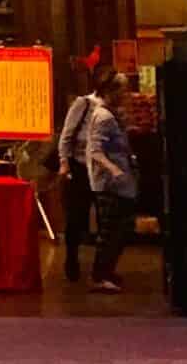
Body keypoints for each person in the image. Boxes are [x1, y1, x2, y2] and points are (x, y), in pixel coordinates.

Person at [82, 71, 139, 294]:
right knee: (109, 232)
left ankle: (107, 271)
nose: (125, 94)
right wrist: (114, 169)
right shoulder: (103, 117)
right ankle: (98, 275)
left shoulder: (110, 114)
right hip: (109, 184)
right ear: (110, 91)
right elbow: (95, 150)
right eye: (121, 90)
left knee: (119, 229)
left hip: (119, 182)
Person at [53, 75, 99, 283]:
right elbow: (67, 135)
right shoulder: (84, 104)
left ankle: (102, 268)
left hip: (102, 169)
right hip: (79, 166)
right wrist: (64, 162)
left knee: (105, 218)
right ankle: (71, 259)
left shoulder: (114, 110)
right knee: (76, 216)